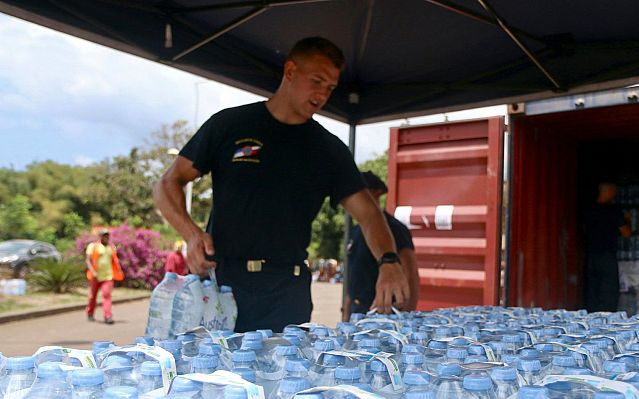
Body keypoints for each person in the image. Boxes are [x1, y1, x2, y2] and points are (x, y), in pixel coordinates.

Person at [154, 37, 409, 333]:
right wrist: (191, 234)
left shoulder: (328, 149)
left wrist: (389, 261)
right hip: (221, 285)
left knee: (283, 377)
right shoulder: (230, 125)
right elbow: (167, 183)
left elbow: (369, 214)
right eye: (317, 81)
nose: (323, 94)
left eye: (330, 87)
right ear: (290, 71)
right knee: (209, 376)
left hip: (286, 292)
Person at [343, 171, 419, 320]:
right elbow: (353, 277)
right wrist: (346, 313)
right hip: (357, 312)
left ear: (376, 193)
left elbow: (410, 276)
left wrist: (406, 318)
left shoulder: (395, 229)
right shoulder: (356, 230)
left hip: (383, 315)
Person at [582, 183, 631, 312]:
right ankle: (607, 319)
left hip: (591, 254)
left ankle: (591, 317)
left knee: (593, 289)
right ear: (608, 191)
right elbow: (626, 233)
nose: (615, 194)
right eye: (614, 191)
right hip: (607, 255)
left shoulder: (589, 210)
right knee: (609, 290)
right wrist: (628, 220)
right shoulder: (613, 210)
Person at [84, 229, 124, 324]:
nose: (106, 238)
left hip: (108, 276)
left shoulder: (111, 247)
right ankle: (90, 312)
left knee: (106, 295)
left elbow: (114, 261)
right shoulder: (93, 246)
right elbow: (88, 260)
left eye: (107, 236)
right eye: (104, 236)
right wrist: (93, 271)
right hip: (96, 276)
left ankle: (108, 316)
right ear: (100, 237)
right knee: (92, 296)